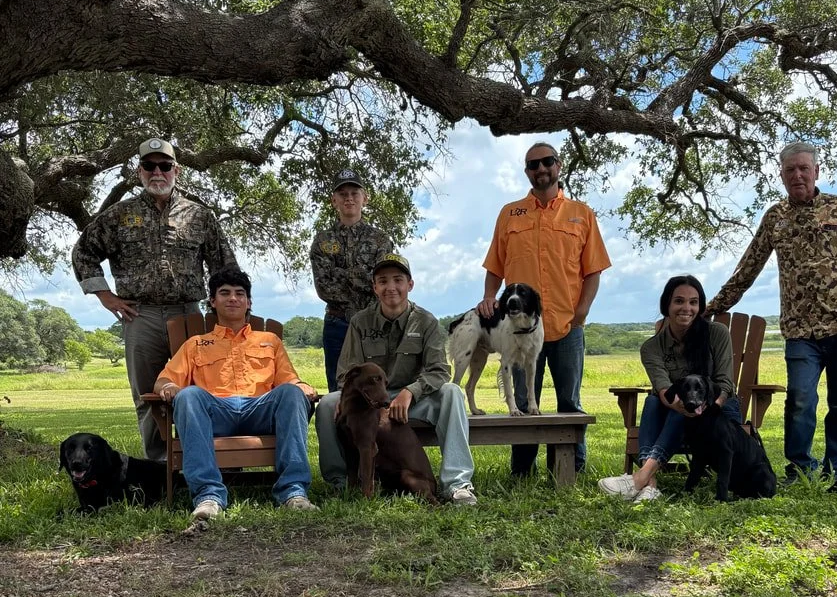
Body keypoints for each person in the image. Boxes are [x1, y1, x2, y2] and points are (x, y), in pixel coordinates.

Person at [705, 141, 837, 492]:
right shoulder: (775, 217)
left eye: (803, 168)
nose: (797, 175)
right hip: (801, 331)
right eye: (790, 170)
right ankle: (799, 468)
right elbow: (748, 267)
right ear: (782, 175)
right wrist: (710, 308)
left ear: (816, 171)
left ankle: (836, 470)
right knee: (800, 400)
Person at [72, 138, 238, 461]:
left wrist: (224, 312)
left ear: (176, 170)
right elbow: (83, 252)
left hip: (190, 316)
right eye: (149, 166)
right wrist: (106, 297)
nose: (157, 172)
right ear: (140, 171)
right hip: (140, 317)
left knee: (202, 389)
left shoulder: (200, 216)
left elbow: (225, 266)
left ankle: (206, 459)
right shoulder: (120, 215)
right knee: (148, 396)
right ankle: (159, 467)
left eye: (164, 166)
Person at [478, 141, 611, 475]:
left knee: (569, 404)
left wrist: (582, 312)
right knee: (523, 404)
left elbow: (593, 270)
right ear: (527, 172)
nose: (541, 169)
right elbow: (495, 266)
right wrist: (489, 297)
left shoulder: (582, 214)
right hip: (521, 331)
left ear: (558, 165)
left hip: (567, 328)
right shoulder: (510, 214)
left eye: (547, 162)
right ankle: (522, 473)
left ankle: (569, 471)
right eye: (533, 165)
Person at [153, 268, 319, 520]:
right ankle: (208, 496)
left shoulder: (269, 340)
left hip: (259, 411)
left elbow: (288, 380)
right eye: (225, 293)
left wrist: (301, 385)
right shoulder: (195, 344)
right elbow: (165, 380)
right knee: (188, 395)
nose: (233, 298)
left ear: (249, 302)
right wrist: (167, 388)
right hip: (215, 412)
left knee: (291, 393)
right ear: (212, 301)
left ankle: (293, 493)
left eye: (240, 293)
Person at [315, 253, 478, 505]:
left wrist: (411, 391)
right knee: (327, 404)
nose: (391, 287)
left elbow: (439, 370)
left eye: (398, 280)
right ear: (374, 287)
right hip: (370, 399)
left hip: (414, 399)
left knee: (452, 393)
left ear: (409, 285)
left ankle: (457, 484)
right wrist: (347, 398)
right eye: (382, 281)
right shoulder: (360, 322)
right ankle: (340, 482)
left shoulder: (426, 321)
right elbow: (347, 372)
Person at [598, 275, 742, 502]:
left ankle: (641, 478)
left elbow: (724, 385)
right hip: (676, 410)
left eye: (693, 302)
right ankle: (650, 483)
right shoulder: (652, 347)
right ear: (666, 304)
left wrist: (705, 407)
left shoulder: (717, 333)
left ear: (700, 306)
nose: (687, 308)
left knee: (682, 409)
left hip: (719, 412)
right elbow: (664, 389)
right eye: (679, 301)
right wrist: (685, 406)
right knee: (655, 401)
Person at [311, 169, 392, 392]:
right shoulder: (322, 240)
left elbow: (382, 286)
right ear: (334, 200)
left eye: (354, 193)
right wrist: (364, 277)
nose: (349, 198)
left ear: (364, 198)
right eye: (343, 193)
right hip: (338, 324)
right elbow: (324, 287)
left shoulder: (380, 239)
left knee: (377, 388)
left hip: (373, 324)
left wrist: (340, 273)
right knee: (339, 392)